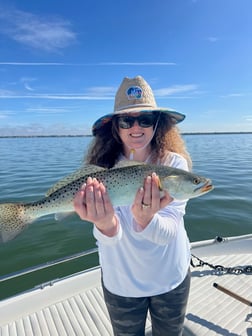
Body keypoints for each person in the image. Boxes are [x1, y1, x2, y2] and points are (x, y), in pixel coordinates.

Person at [74, 75, 192, 336]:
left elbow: (169, 231)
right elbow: (110, 239)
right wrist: (105, 225)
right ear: (115, 126)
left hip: (171, 279)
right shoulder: (101, 170)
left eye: (145, 119)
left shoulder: (173, 166)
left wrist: (146, 220)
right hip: (121, 284)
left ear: (157, 124)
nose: (136, 127)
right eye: (127, 120)